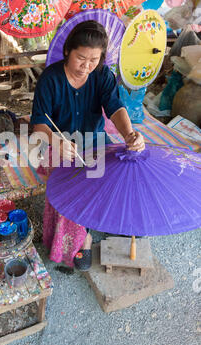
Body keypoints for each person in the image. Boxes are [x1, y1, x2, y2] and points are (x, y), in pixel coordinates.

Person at [30, 20, 145, 271]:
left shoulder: (102, 75)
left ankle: (120, 221)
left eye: (94, 59)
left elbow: (114, 106)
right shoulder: (50, 79)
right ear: (68, 52)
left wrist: (129, 134)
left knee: (126, 167)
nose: (87, 66)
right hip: (61, 144)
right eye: (81, 58)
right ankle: (84, 238)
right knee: (70, 187)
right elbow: (39, 123)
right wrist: (55, 140)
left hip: (94, 140)